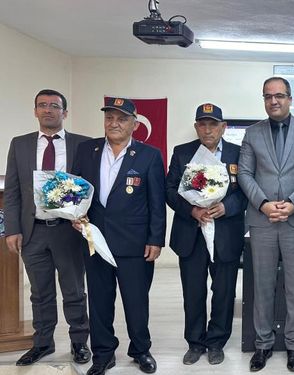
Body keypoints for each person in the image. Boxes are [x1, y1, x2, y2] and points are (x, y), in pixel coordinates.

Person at [71, 97, 166, 375]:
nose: (114, 123)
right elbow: (74, 191)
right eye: (109, 118)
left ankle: (140, 350)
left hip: (135, 243)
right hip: (94, 240)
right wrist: (74, 215)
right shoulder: (87, 149)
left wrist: (156, 239)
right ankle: (103, 354)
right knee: (99, 301)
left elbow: (157, 202)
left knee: (136, 301)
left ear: (135, 125)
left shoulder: (149, 155)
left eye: (122, 119)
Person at [238, 77, 294, 372]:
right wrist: (263, 203)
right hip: (262, 220)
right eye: (268, 96)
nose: (274, 101)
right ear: (264, 100)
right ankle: (262, 344)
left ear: (290, 98)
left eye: (279, 96)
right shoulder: (252, 133)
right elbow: (245, 174)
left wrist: (293, 202)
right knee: (262, 285)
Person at [4, 89, 91, 366]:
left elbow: (91, 189)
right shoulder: (20, 144)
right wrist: (12, 229)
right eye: (42, 105)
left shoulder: (83, 144)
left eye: (54, 106)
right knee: (40, 292)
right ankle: (43, 343)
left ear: (65, 112)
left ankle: (79, 342)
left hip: (68, 231)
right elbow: (14, 192)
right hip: (33, 232)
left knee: (74, 291)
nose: (48, 110)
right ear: (35, 111)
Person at [166, 103, 247, 366]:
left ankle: (216, 342)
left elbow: (245, 192)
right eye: (202, 124)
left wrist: (227, 206)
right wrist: (192, 210)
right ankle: (195, 342)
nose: (208, 129)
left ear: (223, 127)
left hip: (225, 234)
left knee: (223, 291)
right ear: (196, 127)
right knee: (193, 291)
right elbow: (170, 190)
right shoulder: (182, 153)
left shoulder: (239, 153)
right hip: (191, 234)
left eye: (213, 124)